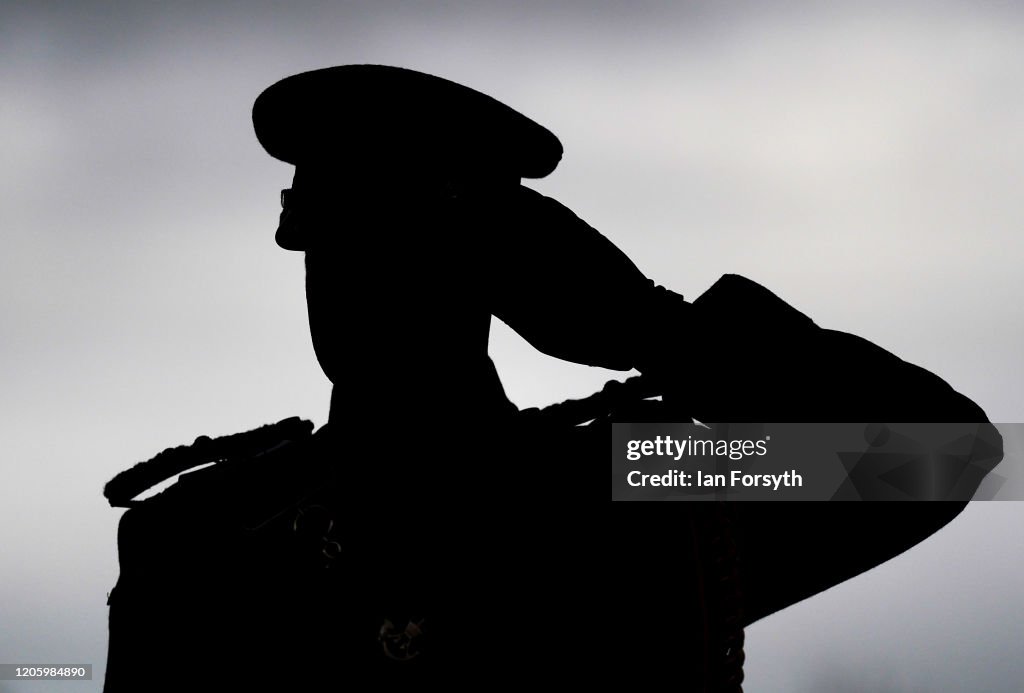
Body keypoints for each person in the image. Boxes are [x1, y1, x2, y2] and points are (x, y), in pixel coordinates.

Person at [103, 64, 1000, 692]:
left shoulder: (635, 486)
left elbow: (941, 455)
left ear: (505, 271)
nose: (347, 283)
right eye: (328, 248)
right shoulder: (199, 541)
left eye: (396, 249)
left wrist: (663, 329)